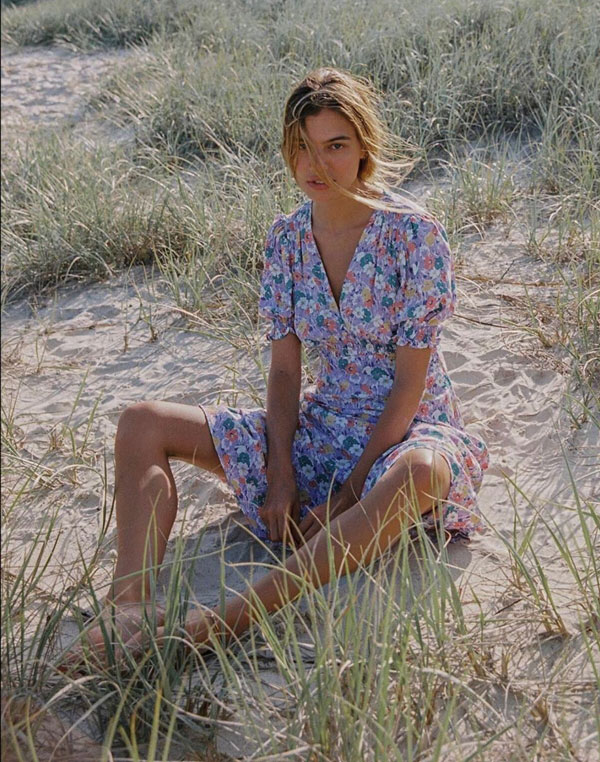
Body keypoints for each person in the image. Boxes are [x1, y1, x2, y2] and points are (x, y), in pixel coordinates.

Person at [68, 68, 488, 661]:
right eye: (302, 149)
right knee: (141, 421)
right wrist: (283, 471)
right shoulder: (288, 238)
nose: (317, 164)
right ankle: (129, 608)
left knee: (422, 472)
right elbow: (286, 371)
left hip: (401, 437)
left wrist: (344, 494)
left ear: (364, 144)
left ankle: (221, 623)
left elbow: (409, 386)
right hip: (320, 430)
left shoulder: (414, 236)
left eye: (335, 145)